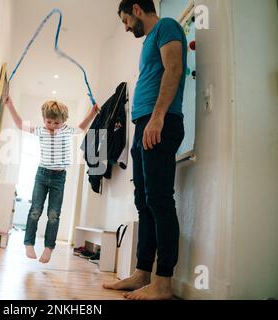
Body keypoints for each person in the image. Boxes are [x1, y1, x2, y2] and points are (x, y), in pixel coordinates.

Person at [103, 0, 187, 300]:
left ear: (137, 10)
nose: (126, 27)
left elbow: (174, 68)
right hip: (144, 125)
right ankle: (142, 274)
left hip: (159, 123)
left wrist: (158, 117)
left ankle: (163, 283)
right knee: (143, 200)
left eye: (126, 19)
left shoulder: (166, 27)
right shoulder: (149, 40)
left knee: (160, 200)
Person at [4, 96, 99, 263]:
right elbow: (19, 125)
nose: (52, 126)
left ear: (63, 121)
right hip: (41, 175)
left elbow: (82, 126)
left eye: (56, 123)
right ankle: (29, 243)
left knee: (54, 214)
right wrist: (10, 105)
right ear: (44, 120)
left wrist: (92, 112)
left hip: (59, 177)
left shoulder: (67, 131)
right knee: (35, 211)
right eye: (49, 122)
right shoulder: (40, 130)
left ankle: (48, 248)